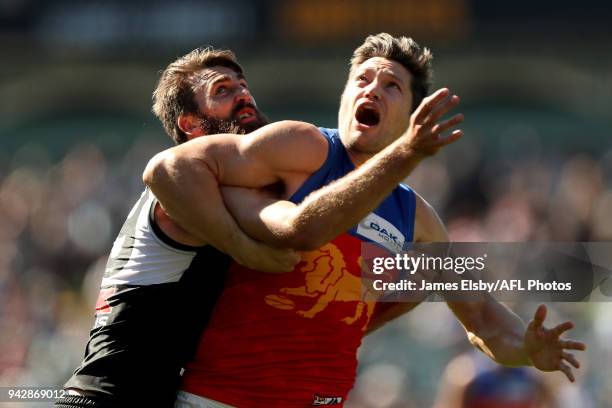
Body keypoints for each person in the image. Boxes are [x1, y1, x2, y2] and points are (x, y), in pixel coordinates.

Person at [145, 33, 585, 408]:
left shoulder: (419, 221)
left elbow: (486, 320)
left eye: (391, 85)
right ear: (345, 97)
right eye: (362, 79)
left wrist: (526, 350)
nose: (371, 90)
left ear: (412, 116)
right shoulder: (301, 146)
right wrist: (243, 248)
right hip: (220, 399)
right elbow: (169, 168)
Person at [57, 43, 459, 408]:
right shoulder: (190, 191)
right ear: (191, 127)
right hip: (108, 396)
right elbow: (166, 169)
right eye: (222, 91)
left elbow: (291, 230)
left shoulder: (229, 190)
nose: (244, 95)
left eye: (243, 86)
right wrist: (244, 249)